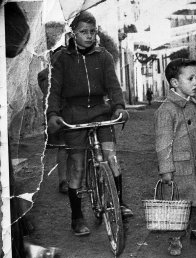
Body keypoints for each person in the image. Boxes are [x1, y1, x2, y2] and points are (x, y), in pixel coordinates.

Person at [46, 11, 133, 237]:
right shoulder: (62, 58)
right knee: (77, 166)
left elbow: (113, 86)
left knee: (111, 157)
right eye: (84, 32)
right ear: (73, 33)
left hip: (99, 111)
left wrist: (119, 106)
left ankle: (119, 202)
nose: (89, 36)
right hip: (73, 114)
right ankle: (77, 217)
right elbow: (53, 90)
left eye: (92, 32)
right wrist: (53, 114)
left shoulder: (103, 56)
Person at [154, 58, 196, 256]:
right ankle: (175, 237)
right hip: (180, 168)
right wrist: (166, 170)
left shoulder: (195, 106)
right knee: (178, 203)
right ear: (174, 83)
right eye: (190, 78)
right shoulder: (167, 110)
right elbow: (163, 144)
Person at [38, 51, 69, 194]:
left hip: (71, 112)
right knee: (63, 147)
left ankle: (72, 179)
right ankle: (63, 180)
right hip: (59, 114)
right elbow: (48, 95)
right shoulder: (46, 75)